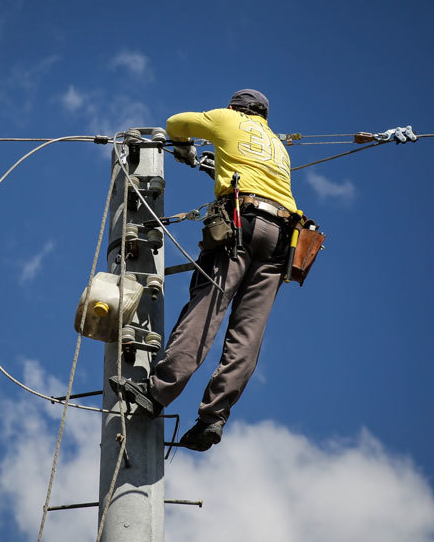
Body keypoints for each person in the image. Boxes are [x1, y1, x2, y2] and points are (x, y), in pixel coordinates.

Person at [108, 90, 300, 450]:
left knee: (207, 307)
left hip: (242, 223)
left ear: (233, 108)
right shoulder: (278, 144)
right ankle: (214, 418)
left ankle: (158, 391)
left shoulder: (228, 119)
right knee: (248, 333)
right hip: (283, 237)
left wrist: (183, 149)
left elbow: (175, 123)